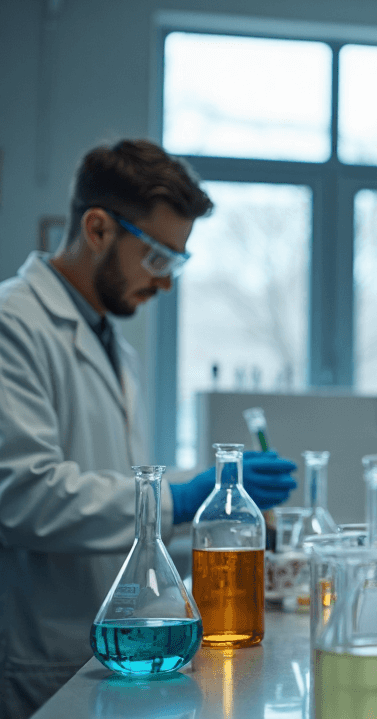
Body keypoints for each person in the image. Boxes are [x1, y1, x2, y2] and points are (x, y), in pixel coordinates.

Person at [0, 140, 297, 718]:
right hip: (41, 656)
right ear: (97, 228)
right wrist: (182, 498)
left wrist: (212, 502)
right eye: (158, 258)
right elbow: (24, 494)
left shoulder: (113, 345)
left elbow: (113, 483)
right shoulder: (14, 324)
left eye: (176, 264)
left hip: (111, 654)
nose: (166, 284)